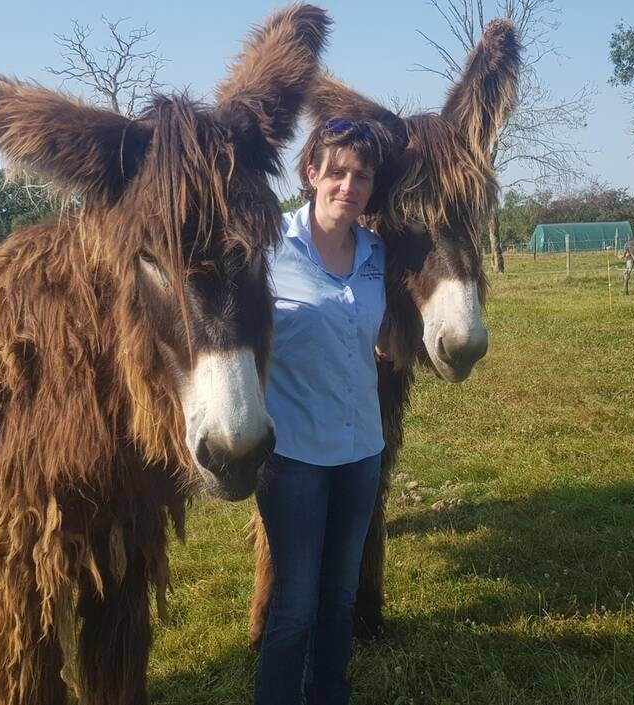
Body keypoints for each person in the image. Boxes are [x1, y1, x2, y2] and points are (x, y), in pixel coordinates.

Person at [254, 118, 391, 705]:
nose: (348, 185)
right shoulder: (267, 252)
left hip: (362, 450)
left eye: (361, 175)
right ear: (310, 175)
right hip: (294, 458)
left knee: (340, 596)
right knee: (295, 604)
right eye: (336, 171)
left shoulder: (379, 255)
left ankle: (330, 693)